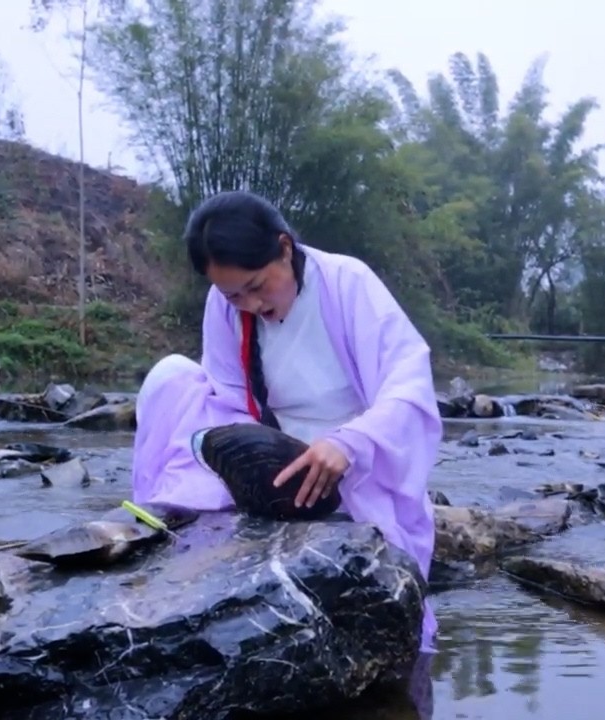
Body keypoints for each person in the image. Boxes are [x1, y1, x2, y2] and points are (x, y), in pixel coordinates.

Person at [131, 190, 441, 657]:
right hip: (273, 452)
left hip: (358, 458)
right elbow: (229, 398)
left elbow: (408, 386)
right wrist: (240, 454)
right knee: (171, 377)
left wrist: (350, 442)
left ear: (284, 248)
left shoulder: (346, 283)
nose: (251, 304)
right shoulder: (225, 306)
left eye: (257, 286)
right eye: (234, 295)